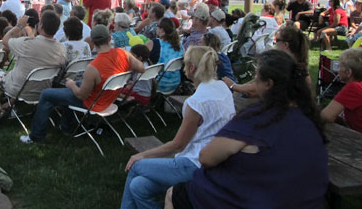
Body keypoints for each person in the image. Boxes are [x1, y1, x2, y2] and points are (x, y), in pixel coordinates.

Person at [167, 49, 328, 209]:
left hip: (250, 199)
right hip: (300, 198)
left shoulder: (257, 119)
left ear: (268, 84)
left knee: (173, 193)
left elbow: (206, 157)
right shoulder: (311, 120)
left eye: (256, 78)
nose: (253, 82)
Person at [122, 46, 235, 209]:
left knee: (136, 165)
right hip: (215, 160)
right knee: (138, 186)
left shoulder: (196, 102)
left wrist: (141, 155)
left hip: (194, 164)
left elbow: (178, 145)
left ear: (192, 68)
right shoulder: (223, 88)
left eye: (185, 65)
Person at [21, 24, 145, 144]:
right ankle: (66, 127)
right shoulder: (123, 54)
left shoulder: (93, 67)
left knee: (46, 94)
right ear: (109, 38)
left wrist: (71, 85)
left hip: (94, 103)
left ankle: (36, 136)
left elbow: (80, 95)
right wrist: (124, 74)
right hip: (110, 97)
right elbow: (141, 68)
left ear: (92, 41)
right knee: (76, 84)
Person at [0, 10, 66, 126]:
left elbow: (5, 40)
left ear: (41, 26)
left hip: (19, 89)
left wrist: (19, 25)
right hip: (43, 89)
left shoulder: (29, 44)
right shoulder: (61, 49)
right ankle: (8, 105)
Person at [227, 25, 310, 96]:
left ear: (285, 45)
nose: (275, 43)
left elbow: (257, 88)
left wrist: (233, 86)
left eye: (277, 40)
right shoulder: (300, 66)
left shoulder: (284, 67)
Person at [321, 48, 362, 139]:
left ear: (349, 72)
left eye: (340, 66)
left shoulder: (354, 88)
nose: (338, 70)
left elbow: (326, 116)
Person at [145, 17, 185, 93]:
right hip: (175, 83)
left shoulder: (153, 43)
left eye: (157, 26)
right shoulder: (180, 46)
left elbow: (139, 58)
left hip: (158, 84)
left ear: (162, 30)